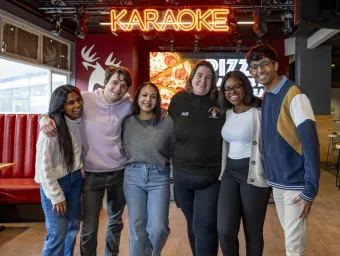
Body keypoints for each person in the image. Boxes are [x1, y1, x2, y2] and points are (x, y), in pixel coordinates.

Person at [40, 66, 133, 256]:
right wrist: (44, 117)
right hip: (91, 173)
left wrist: (162, 113)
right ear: (105, 81)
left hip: (119, 172)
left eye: (124, 85)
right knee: (89, 226)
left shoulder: (128, 104)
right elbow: (59, 106)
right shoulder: (85, 99)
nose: (118, 88)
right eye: (115, 82)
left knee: (115, 222)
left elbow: (148, 109)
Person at [246, 44, 320, 255]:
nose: (259, 70)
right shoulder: (268, 96)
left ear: (276, 65)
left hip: (296, 184)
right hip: (277, 182)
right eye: (253, 67)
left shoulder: (294, 95)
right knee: (290, 237)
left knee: (293, 246)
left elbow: (311, 144)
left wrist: (310, 189)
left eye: (264, 64)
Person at [168, 60, 224, 256]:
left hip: (210, 178)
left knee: (205, 227)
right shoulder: (178, 100)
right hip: (182, 177)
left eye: (208, 77)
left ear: (213, 82)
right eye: (199, 76)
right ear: (191, 79)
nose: (203, 81)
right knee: (193, 224)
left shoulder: (221, 103)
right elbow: (168, 131)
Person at [217, 70, 271, 256]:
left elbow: (272, 144)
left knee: (253, 232)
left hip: (253, 173)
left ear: (245, 87)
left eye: (236, 86)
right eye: (227, 89)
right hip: (230, 173)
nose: (231, 91)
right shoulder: (228, 113)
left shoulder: (259, 112)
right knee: (224, 230)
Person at [122, 82, 175, 256]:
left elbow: (173, 148)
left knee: (159, 227)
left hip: (158, 176)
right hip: (132, 176)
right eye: (144, 95)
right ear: (137, 98)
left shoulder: (167, 122)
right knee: (137, 227)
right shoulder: (127, 122)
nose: (148, 100)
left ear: (158, 100)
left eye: (153, 96)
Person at [35, 85, 84, 256]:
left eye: (78, 100)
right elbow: (43, 168)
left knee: (72, 228)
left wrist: (43, 116)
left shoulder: (80, 121)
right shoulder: (51, 129)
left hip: (76, 179)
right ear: (60, 106)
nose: (77, 105)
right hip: (56, 184)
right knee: (58, 233)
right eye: (70, 102)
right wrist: (56, 195)